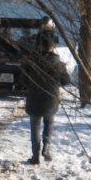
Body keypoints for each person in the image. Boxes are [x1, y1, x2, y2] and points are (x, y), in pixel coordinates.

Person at [23, 28, 71, 165]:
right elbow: (66, 81)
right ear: (52, 46)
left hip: (34, 98)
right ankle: (47, 148)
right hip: (51, 98)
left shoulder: (30, 62)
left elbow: (22, 80)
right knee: (49, 122)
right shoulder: (58, 63)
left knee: (35, 126)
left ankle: (35, 155)